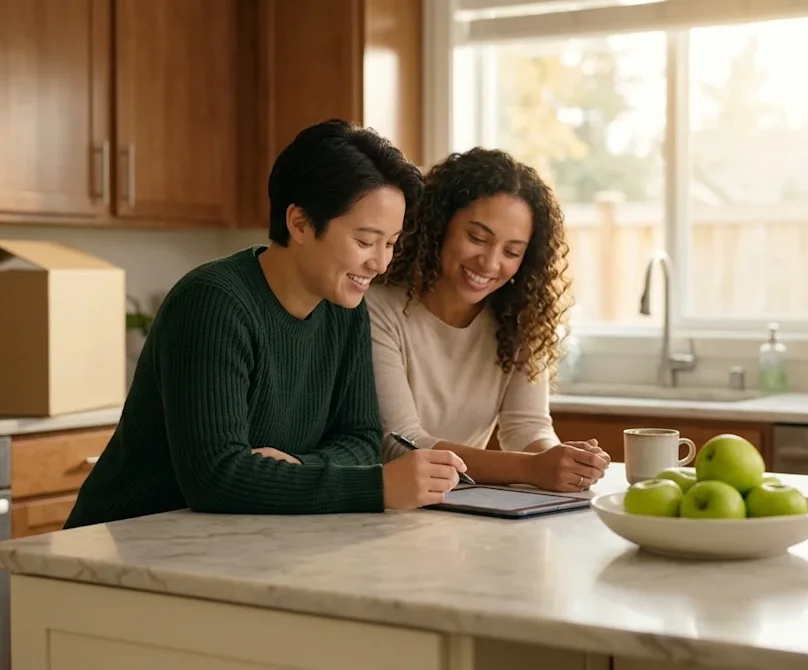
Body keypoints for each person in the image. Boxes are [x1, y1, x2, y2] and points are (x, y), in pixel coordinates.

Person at [65, 119, 467, 528]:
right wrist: (377, 488)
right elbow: (216, 477)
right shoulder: (213, 303)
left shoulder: (345, 311)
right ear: (300, 223)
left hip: (230, 541)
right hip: (124, 545)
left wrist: (295, 469)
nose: (380, 264)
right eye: (365, 242)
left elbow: (361, 442)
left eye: (391, 243)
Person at [367, 147, 609, 493]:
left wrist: (559, 461)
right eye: (477, 238)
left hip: (465, 507)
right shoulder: (379, 308)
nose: (490, 263)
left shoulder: (521, 318)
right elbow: (400, 443)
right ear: (440, 225)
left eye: (511, 252)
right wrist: (531, 468)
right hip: (386, 510)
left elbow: (527, 427)